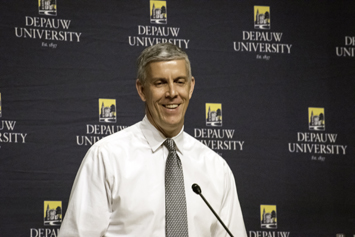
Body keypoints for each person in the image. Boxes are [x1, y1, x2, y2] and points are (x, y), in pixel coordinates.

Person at [58, 43, 247, 237]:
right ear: (141, 90)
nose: (172, 93)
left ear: (191, 87)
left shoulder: (216, 168)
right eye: (160, 83)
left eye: (180, 82)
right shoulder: (106, 157)